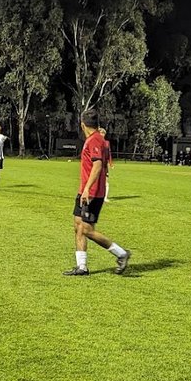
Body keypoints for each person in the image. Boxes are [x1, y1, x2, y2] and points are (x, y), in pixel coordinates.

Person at [64, 107, 130, 276]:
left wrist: (87, 189)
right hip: (85, 191)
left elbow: (98, 165)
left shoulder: (94, 140)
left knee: (86, 229)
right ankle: (82, 267)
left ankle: (121, 253)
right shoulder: (96, 139)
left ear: (82, 124)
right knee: (78, 225)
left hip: (92, 193)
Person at [99, 125, 114, 202]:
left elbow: (109, 154)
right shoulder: (95, 143)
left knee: (106, 181)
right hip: (97, 165)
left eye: (103, 133)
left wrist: (111, 163)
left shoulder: (107, 143)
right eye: (101, 133)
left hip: (104, 166)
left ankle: (105, 197)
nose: (102, 135)